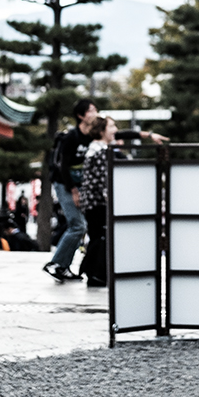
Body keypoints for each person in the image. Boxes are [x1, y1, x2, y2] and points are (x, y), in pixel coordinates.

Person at [46, 98, 97, 282]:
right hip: (64, 183)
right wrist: (74, 191)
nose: (95, 113)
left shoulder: (92, 136)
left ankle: (63, 267)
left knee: (78, 226)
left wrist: (145, 136)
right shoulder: (71, 137)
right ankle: (55, 263)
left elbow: (117, 134)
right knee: (78, 225)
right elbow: (63, 167)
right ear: (81, 115)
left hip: (78, 185)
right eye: (91, 110)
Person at [79, 115, 117, 287]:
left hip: (90, 202)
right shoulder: (101, 152)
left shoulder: (93, 149)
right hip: (98, 203)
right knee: (100, 237)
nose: (115, 130)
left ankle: (92, 271)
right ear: (102, 131)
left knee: (96, 236)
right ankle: (94, 272)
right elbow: (105, 181)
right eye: (111, 127)